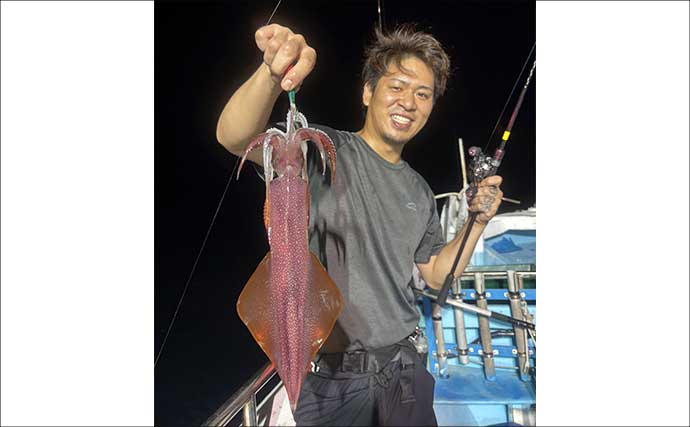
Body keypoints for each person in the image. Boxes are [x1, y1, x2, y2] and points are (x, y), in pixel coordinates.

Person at [216, 23, 504, 426]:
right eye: (397, 86)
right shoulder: (322, 152)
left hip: (404, 369)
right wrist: (271, 72)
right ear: (368, 92)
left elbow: (436, 275)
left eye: (423, 94)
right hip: (331, 380)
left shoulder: (420, 190)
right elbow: (235, 136)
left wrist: (476, 222)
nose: (409, 102)